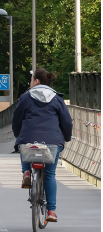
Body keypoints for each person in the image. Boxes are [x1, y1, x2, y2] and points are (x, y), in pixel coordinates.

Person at [12, 68, 73, 222]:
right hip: (52, 141)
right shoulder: (57, 99)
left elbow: (16, 120)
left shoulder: (25, 98)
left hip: (29, 139)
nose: (30, 83)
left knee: (24, 145)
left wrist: (19, 136)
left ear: (37, 81)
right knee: (50, 175)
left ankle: (26, 172)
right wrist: (65, 138)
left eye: (31, 80)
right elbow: (66, 122)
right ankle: (51, 211)